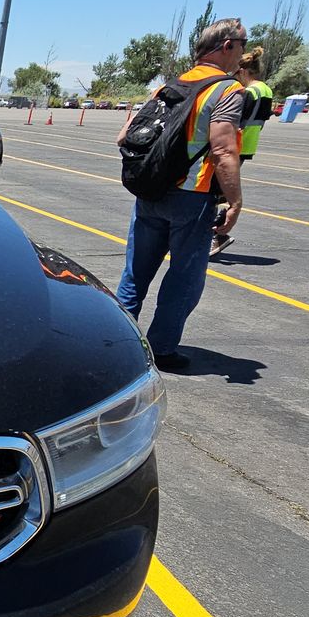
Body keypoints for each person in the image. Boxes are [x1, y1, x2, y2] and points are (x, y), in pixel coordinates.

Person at [115, 18, 247, 372]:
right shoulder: (226, 91)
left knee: (134, 274)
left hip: (152, 191)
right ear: (227, 46)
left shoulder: (169, 87)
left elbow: (124, 136)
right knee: (184, 278)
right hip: (192, 196)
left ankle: (115, 340)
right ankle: (162, 348)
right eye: (243, 45)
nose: (243, 55)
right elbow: (222, 150)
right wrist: (234, 200)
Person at [212, 46, 273, 257]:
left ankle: (216, 235)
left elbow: (236, 120)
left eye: (237, 75)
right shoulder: (266, 90)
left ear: (244, 72)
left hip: (234, 145)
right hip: (248, 146)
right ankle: (215, 233)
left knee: (214, 192)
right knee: (221, 192)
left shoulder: (248, 92)